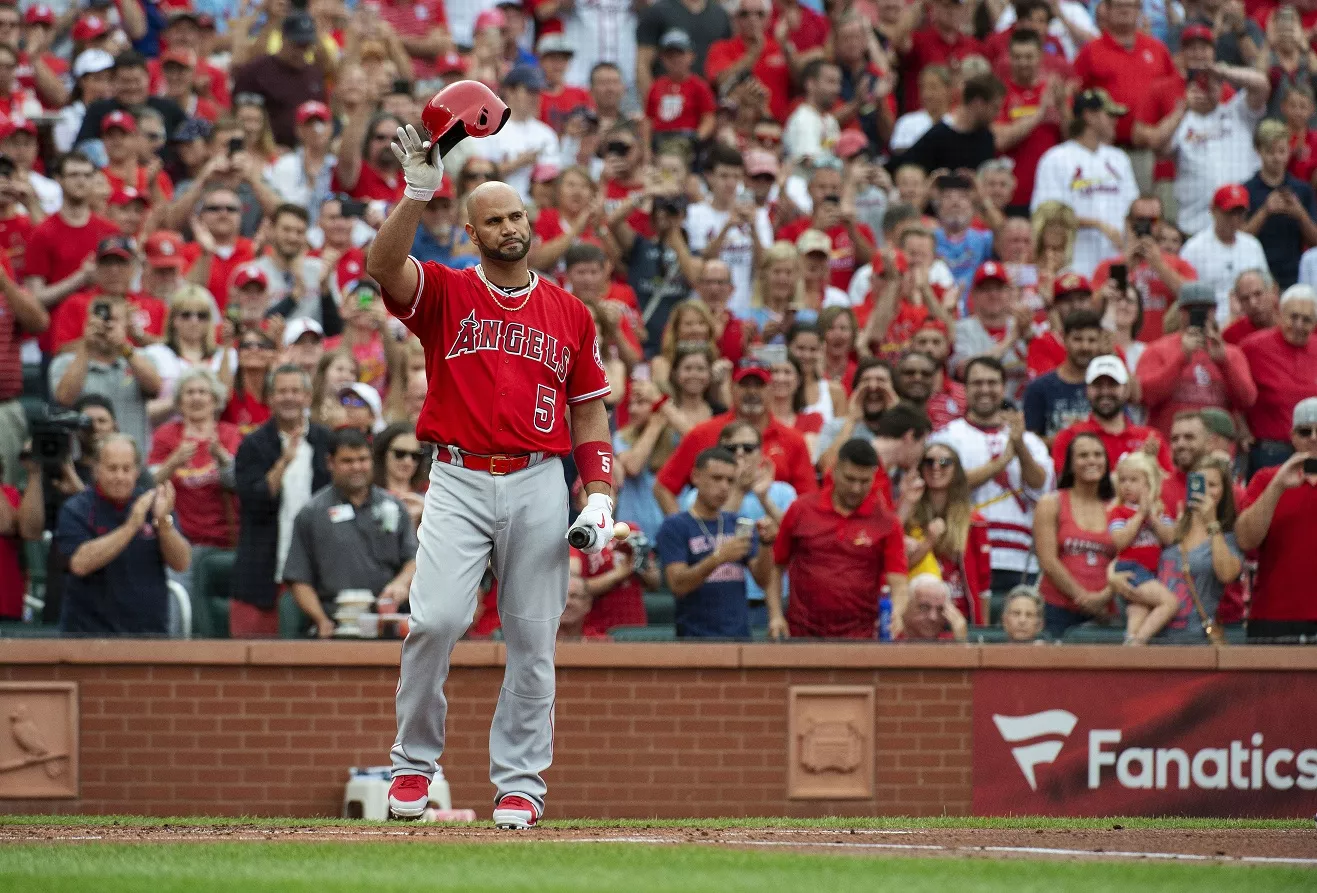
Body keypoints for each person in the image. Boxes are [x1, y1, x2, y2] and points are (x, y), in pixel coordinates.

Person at [369, 129, 614, 831]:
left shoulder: (570, 311)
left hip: (540, 477)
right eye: (494, 219)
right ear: (472, 231)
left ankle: (520, 785)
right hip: (458, 475)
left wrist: (596, 491)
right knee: (436, 621)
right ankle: (413, 765)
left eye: (517, 216)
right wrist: (418, 194)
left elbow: (589, 414)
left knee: (533, 639)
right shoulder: (446, 289)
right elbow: (381, 266)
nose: (510, 228)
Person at [931, 357, 1053, 599]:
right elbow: (943, 483)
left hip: (1020, 557)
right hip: (964, 551)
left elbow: (1040, 485)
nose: (985, 389)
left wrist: (1019, 446)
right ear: (964, 389)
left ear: (1003, 387)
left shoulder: (1030, 441)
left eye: (992, 383)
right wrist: (1002, 461)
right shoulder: (946, 437)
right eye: (977, 383)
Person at [283, 428, 419, 637]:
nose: (357, 467)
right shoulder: (311, 514)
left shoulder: (394, 506)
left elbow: (413, 559)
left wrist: (401, 583)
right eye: (347, 461)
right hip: (336, 624)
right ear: (331, 463)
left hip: (387, 623)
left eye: (363, 459)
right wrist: (321, 620)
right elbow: (298, 579)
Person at [231, 364, 332, 638]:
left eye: (295, 391)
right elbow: (253, 501)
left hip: (321, 573)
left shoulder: (326, 442)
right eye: (281, 391)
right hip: (264, 570)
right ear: (270, 398)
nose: (289, 397)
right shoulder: (252, 445)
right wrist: (283, 462)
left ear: (308, 397)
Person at [773, 438, 909, 640]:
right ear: (835, 471)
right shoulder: (801, 510)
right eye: (850, 479)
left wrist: (897, 612)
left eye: (864, 481)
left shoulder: (887, 522)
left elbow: (898, 580)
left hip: (860, 636)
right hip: (802, 632)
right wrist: (775, 614)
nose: (856, 488)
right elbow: (776, 565)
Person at [55, 434, 190, 636]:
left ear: (136, 471)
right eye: (112, 468)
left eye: (126, 469)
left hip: (149, 634)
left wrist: (163, 524)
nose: (119, 476)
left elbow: (181, 563)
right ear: (97, 469)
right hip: (89, 634)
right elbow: (79, 564)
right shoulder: (77, 508)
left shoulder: (153, 503)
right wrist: (131, 526)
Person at [654, 358, 816, 516]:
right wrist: (683, 531)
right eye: (744, 385)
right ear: (731, 388)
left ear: (771, 389)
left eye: (759, 385)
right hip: (715, 537)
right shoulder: (703, 434)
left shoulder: (793, 440)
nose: (752, 392)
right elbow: (663, 487)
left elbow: (808, 499)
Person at [677, 420, 798, 630]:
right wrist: (738, 490)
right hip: (718, 598)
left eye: (749, 448)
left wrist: (764, 499)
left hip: (774, 597)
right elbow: (713, 529)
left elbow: (796, 539)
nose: (740, 454)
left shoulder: (782, 491)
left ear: (761, 453)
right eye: (731, 448)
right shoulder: (699, 496)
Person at [1110, 455, 1243, 644]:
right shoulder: (1172, 529)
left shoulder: (1227, 536)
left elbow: (1226, 574)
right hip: (1155, 640)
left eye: (1212, 485)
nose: (1205, 490)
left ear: (1224, 492)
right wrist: (1112, 575)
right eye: (1199, 483)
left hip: (1196, 642)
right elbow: (1134, 552)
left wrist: (1212, 523)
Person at [658, 445, 778, 640]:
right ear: (696, 476)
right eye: (716, 478)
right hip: (694, 639)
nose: (724, 487)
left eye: (730, 480)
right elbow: (678, 584)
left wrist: (766, 544)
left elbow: (763, 580)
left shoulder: (738, 523)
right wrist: (718, 557)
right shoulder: (676, 526)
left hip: (740, 637)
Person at [145, 368, 240, 593]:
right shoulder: (165, 436)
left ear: (214, 400)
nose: (196, 397)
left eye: (202, 392)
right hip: (180, 540)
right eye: (189, 393)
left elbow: (239, 483)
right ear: (179, 401)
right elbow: (148, 486)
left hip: (225, 543)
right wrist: (173, 461)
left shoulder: (230, 434)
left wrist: (222, 458)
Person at [1030, 88, 1138, 276]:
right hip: (1076, 259)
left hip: (1116, 258)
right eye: (1109, 114)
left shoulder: (1119, 158)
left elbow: (1134, 207)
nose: (1115, 121)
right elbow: (1047, 213)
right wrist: (1097, 224)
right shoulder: (1056, 158)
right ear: (1089, 116)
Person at [1233, 399, 1317, 640]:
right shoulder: (1266, 479)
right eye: (1305, 431)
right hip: (1274, 618)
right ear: (1292, 436)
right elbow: (1246, 540)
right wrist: (1278, 486)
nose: (1313, 437)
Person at [1135, 282, 1256, 438]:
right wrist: (1181, 358)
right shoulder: (1156, 350)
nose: (1199, 313)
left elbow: (1247, 400)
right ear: (1180, 312)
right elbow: (1146, 396)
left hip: (1216, 447)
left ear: (1215, 311)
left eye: (1206, 309)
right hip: (1170, 445)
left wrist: (1224, 363)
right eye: (1190, 309)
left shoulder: (1231, 353)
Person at [49, 298, 162, 452]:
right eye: (98, 319)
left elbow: (155, 387)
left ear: (126, 325)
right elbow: (65, 398)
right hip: (83, 464)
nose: (105, 325)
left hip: (130, 465)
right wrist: (86, 346)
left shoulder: (142, 358)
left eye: (113, 320)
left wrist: (123, 346)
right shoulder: (65, 363)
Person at [1033, 432, 1117, 637]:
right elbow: (1048, 562)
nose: (1091, 460)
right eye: (1083, 455)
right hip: (1056, 610)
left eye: (1098, 455)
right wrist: (1084, 598)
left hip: (1105, 613)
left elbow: (1126, 559)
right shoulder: (1051, 503)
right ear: (1070, 464)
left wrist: (1104, 598)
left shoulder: (1117, 507)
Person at [905, 442, 992, 625]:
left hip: (959, 613)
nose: (936, 467)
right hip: (918, 614)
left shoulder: (974, 520)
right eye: (929, 462)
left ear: (956, 470)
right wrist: (929, 542)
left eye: (944, 462)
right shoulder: (908, 515)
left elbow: (983, 585)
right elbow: (899, 566)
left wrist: (982, 628)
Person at [1239, 285, 1317, 474]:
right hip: (1271, 451)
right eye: (1293, 317)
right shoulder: (1253, 347)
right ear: (1280, 315)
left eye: (1306, 319)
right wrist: (1240, 428)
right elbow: (1232, 389)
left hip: (1313, 450)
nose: (1299, 324)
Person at [1050, 354, 1171, 474]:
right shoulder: (1069, 437)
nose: (1105, 391)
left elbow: (1170, 486)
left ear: (1125, 390)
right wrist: (1136, 463)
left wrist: (1152, 467)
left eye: (1113, 384)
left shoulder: (1150, 438)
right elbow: (1067, 488)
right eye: (1098, 385)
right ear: (1087, 390)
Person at [1106, 451, 1181, 643]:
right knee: (1170, 603)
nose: (1127, 485)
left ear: (1149, 484)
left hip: (1152, 573)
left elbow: (1169, 538)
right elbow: (1120, 541)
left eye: (1133, 480)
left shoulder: (1159, 510)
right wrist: (1140, 515)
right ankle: (1139, 644)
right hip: (1130, 570)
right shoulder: (1118, 511)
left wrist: (1152, 517)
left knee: (1138, 613)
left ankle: (1131, 648)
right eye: (1123, 480)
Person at [1243, 120, 1317, 290]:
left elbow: (1315, 242)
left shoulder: (1302, 189)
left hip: (1295, 276)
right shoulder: (1247, 190)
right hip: (1258, 277)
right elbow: (1239, 240)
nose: (1277, 158)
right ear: (1259, 151)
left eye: (1282, 151)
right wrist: (1264, 211)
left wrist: (1300, 214)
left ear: (1289, 150)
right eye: (1270, 152)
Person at [1179, 185, 1269, 322]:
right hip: (1212, 324)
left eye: (1240, 213)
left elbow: (1267, 286)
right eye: (1229, 213)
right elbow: (1186, 294)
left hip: (1251, 322)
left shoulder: (1252, 245)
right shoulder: (1193, 248)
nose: (1234, 219)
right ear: (1214, 211)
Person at [894, 73, 1004, 175]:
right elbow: (901, 166)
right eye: (995, 108)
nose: (997, 114)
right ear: (978, 103)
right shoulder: (938, 136)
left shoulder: (986, 139)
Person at [951, 260, 1030, 401]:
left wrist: (1031, 335)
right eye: (986, 289)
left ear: (1009, 292)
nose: (993, 295)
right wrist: (1010, 341)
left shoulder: (1024, 326)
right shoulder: (961, 329)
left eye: (999, 288)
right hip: (980, 409)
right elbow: (964, 370)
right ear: (973, 295)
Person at [1022, 309, 1103, 442]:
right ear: (1064, 339)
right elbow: (1031, 442)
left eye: (1092, 340)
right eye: (1077, 339)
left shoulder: (1107, 387)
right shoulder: (1038, 388)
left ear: (1099, 343)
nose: (1085, 346)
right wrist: (1068, 439)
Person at [815, 358, 900, 473]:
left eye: (881, 381)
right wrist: (851, 420)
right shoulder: (834, 427)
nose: (873, 387)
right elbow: (827, 469)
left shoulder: (909, 430)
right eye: (865, 381)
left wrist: (896, 417)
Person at [899, 574, 969, 642]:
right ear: (906, 607)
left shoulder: (950, 642)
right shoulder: (891, 640)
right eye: (924, 608)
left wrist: (961, 639)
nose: (933, 617)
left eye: (940, 609)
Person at [1222, 269, 1278, 345]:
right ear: (1239, 302)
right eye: (1245, 299)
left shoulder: (1292, 325)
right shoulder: (1231, 336)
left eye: (1258, 294)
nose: (1253, 303)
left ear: (1273, 291)